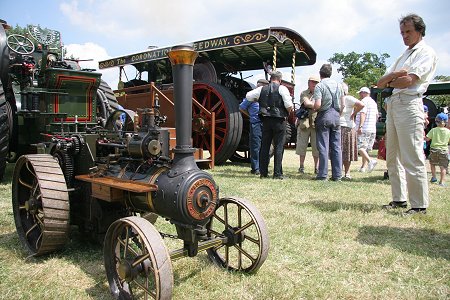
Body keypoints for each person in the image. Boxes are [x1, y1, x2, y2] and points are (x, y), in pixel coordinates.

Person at [377, 14, 437, 214]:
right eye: (402, 32)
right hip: (394, 104)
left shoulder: (426, 52)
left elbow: (409, 81)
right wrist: (395, 75)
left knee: (411, 155)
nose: (404, 36)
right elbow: (380, 82)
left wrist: (392, 81)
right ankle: (399, 198)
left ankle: (419, 204)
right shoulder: (403, 55)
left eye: (408, 32)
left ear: (420, 31)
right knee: (392, 155)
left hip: (410, 102)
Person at [246, 71, 293, 179]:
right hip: (279, 121)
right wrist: (287, 113)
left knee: (264, 146)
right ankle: (277, 174)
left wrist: (257, 99)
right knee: (279, 146)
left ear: (270, 79)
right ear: (280, 80)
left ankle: (263, 173)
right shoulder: (282, 88)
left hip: (266, 119)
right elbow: (289, 105)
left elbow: (248, 96)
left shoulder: (262, 89)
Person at [303, 64, 343, 181]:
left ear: (320, 74)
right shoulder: (338, 85)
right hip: (336, 116)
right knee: (336, 147)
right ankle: (337, 175)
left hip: (324, 115)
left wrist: (314, 108)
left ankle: (323, 175)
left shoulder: (319, 86)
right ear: (330, 73)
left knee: (323, 146)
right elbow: (343, 104)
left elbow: (318, 104)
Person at [239, 79, 269, 175]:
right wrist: (250, 115)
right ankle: (255, 168)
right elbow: (241, 108)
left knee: (265, 145)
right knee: (255, 146)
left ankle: (264, 167)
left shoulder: (268, 96)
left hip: (266, 123)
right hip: (256, 123)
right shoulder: (251, 96)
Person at [340, 83, 365, 179]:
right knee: (342, 151)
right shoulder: (339, 98)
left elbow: (361, 105)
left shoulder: (349, 98)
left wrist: (354, 114)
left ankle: (347, 173)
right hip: (340, 126)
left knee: (346, 151)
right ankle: (341, 172)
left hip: (348, 127)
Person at [296, 76, 320, 174]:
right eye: (312, 82)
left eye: (316, 82)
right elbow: (306, 103)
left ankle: (317, 168)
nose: (314, 84)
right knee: (302, 146)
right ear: (308, 83)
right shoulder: (304, 93)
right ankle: (301, 166)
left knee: (316, 147)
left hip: (316, 123)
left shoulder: (320, 93)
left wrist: (313, 104)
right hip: (304, 123)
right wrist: (317, 105)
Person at [355, 87, 379, 173]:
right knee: (366, 149)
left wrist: (360, 126)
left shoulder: (364, 102)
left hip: (364, 128)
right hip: (372, 128)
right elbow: (376, 116)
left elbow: (363, 113)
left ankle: (370, 161)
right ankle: (363, 167)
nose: (359, 95)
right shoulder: (374, 103)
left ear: (364, 93)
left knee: (359, 147)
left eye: (360, 93)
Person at [425, 113, 450, 186]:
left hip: (434, 150)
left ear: (436, 121)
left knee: (432, 163)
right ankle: (442, 182)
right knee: (443, 166)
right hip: (444, 150)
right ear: (446, 122)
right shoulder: (448, 131)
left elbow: (427, 139)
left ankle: (434, 177)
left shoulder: (433, 130)